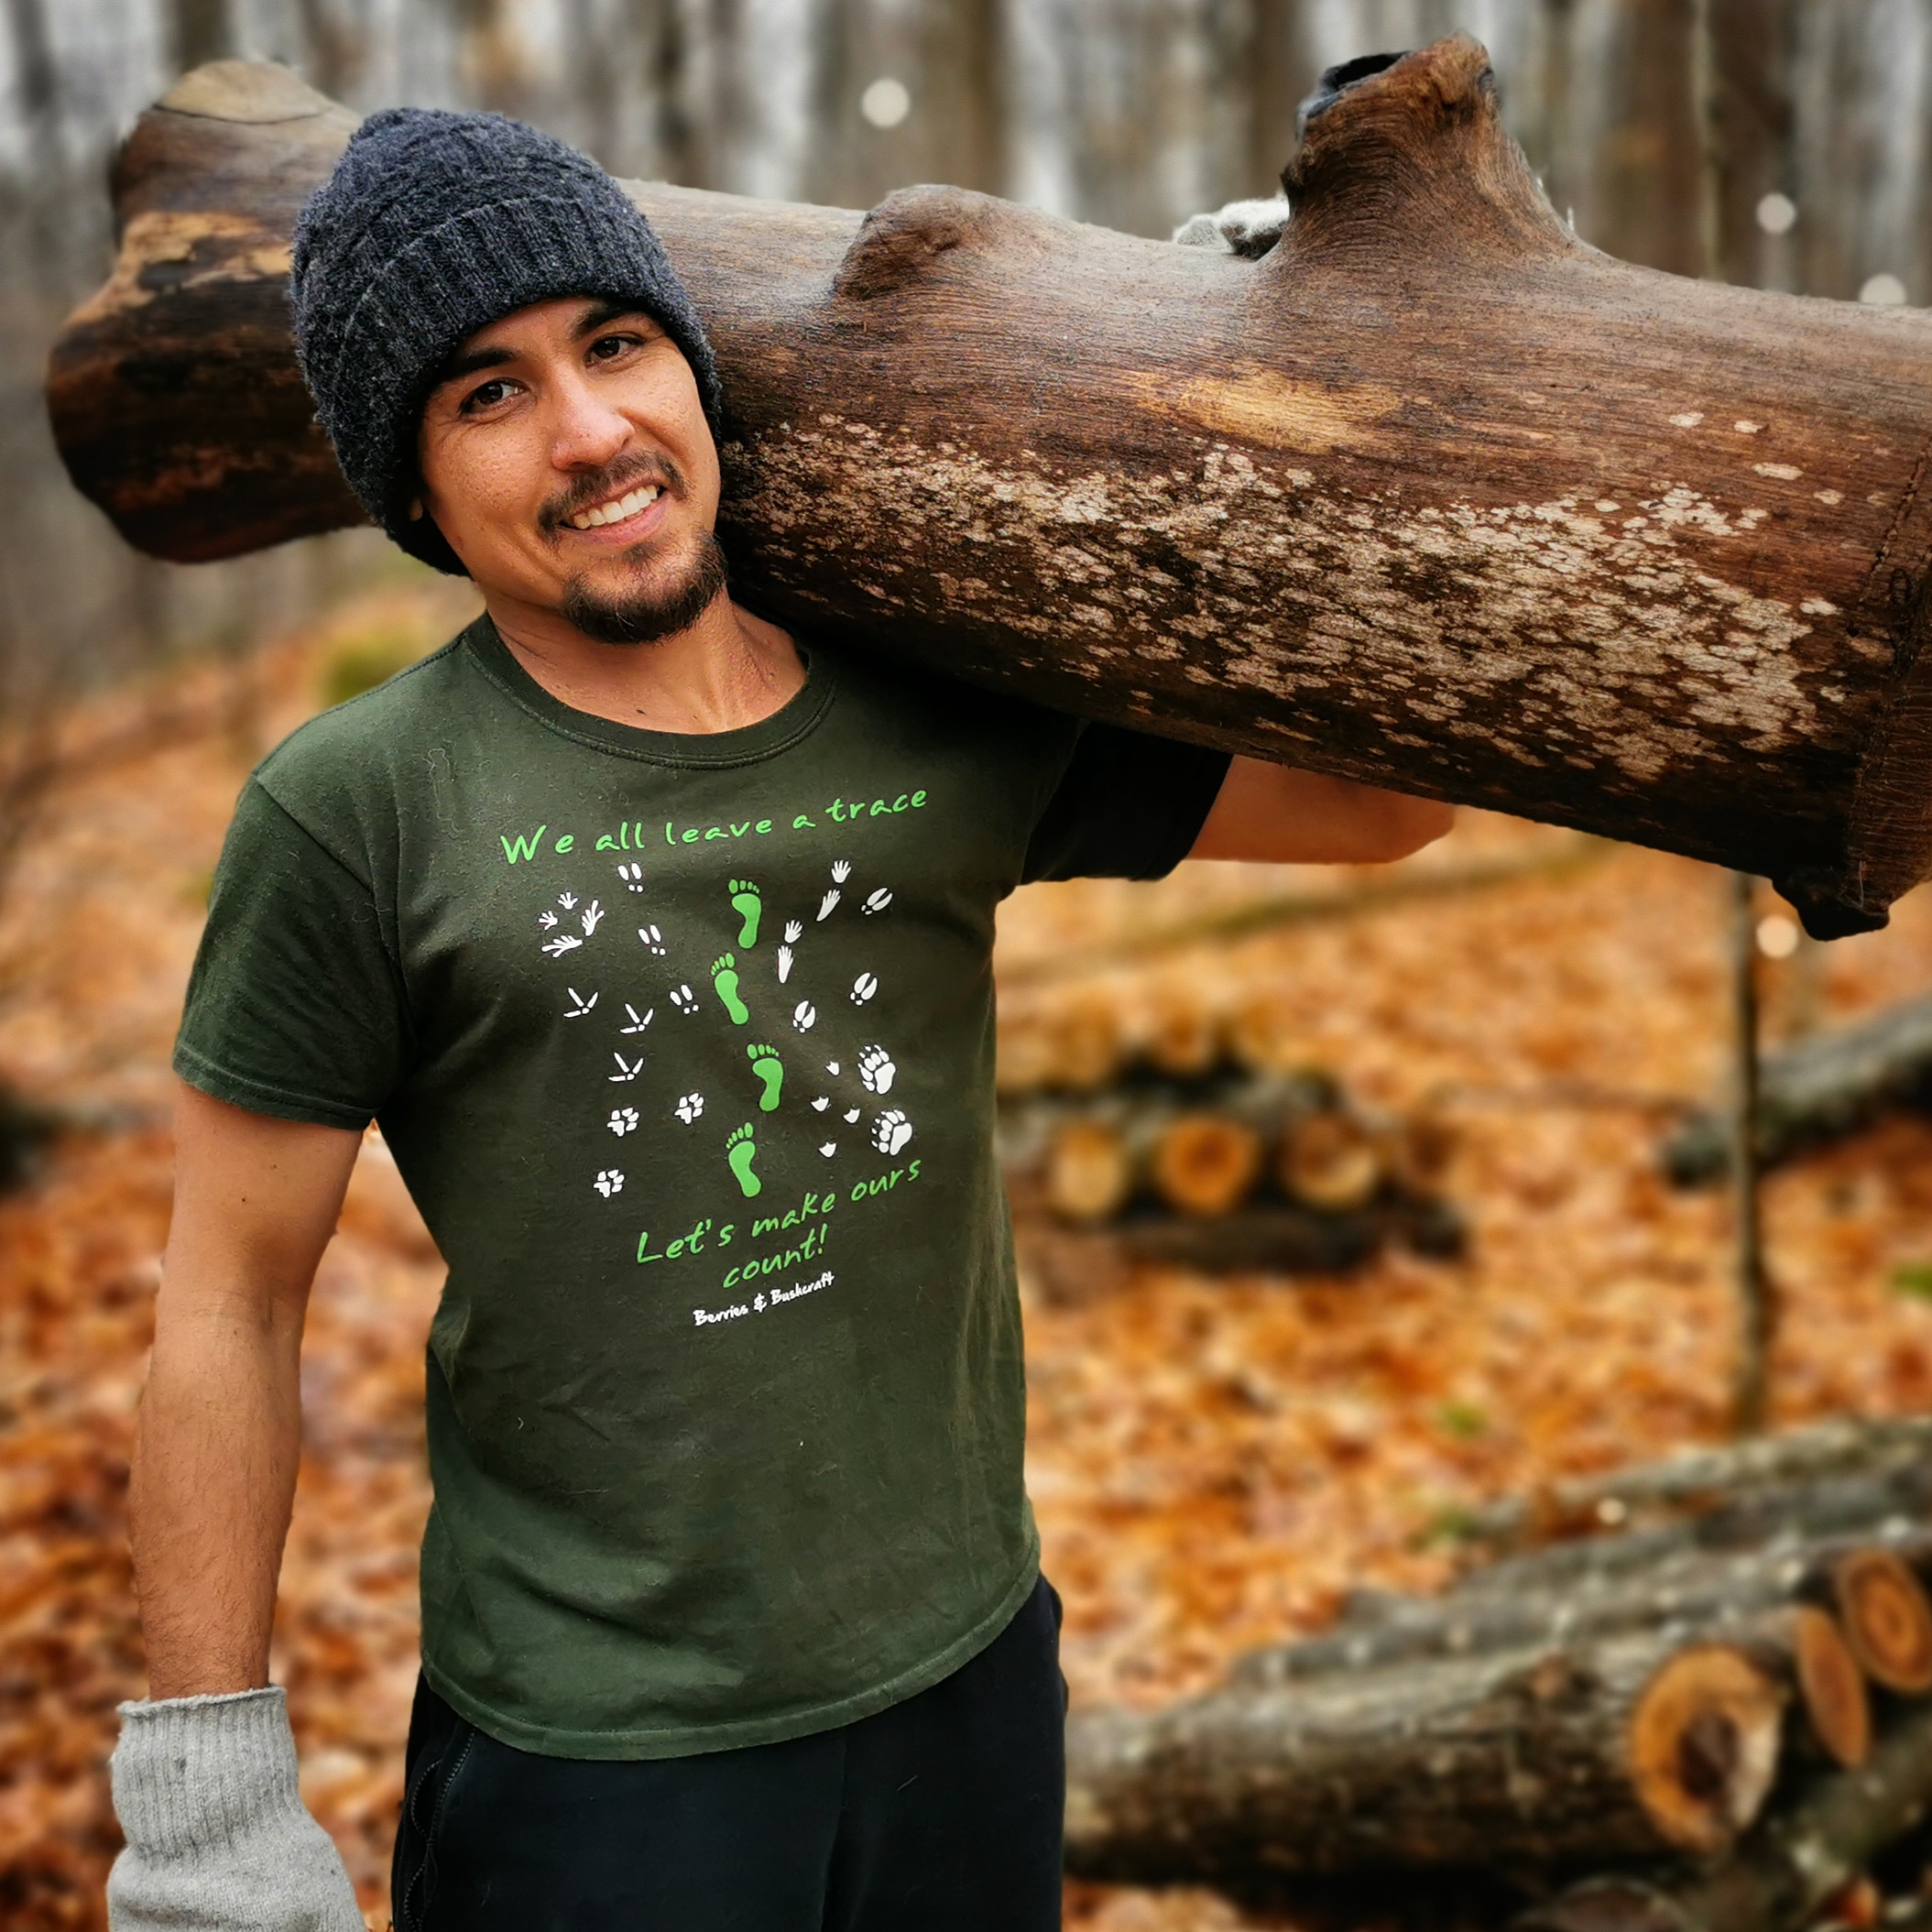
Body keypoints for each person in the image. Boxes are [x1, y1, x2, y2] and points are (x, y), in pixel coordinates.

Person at [104, 108, 1452, 1932]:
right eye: (484, 394)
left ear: (688, 365)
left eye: (615, 342)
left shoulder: (943, 702)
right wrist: (203, 1791)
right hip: (596, 1760)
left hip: (967, 1687)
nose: (589, 432)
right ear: (412, 488)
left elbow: (1387, 809)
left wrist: (1238, 386)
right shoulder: (361, 805)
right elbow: (228, 1296)